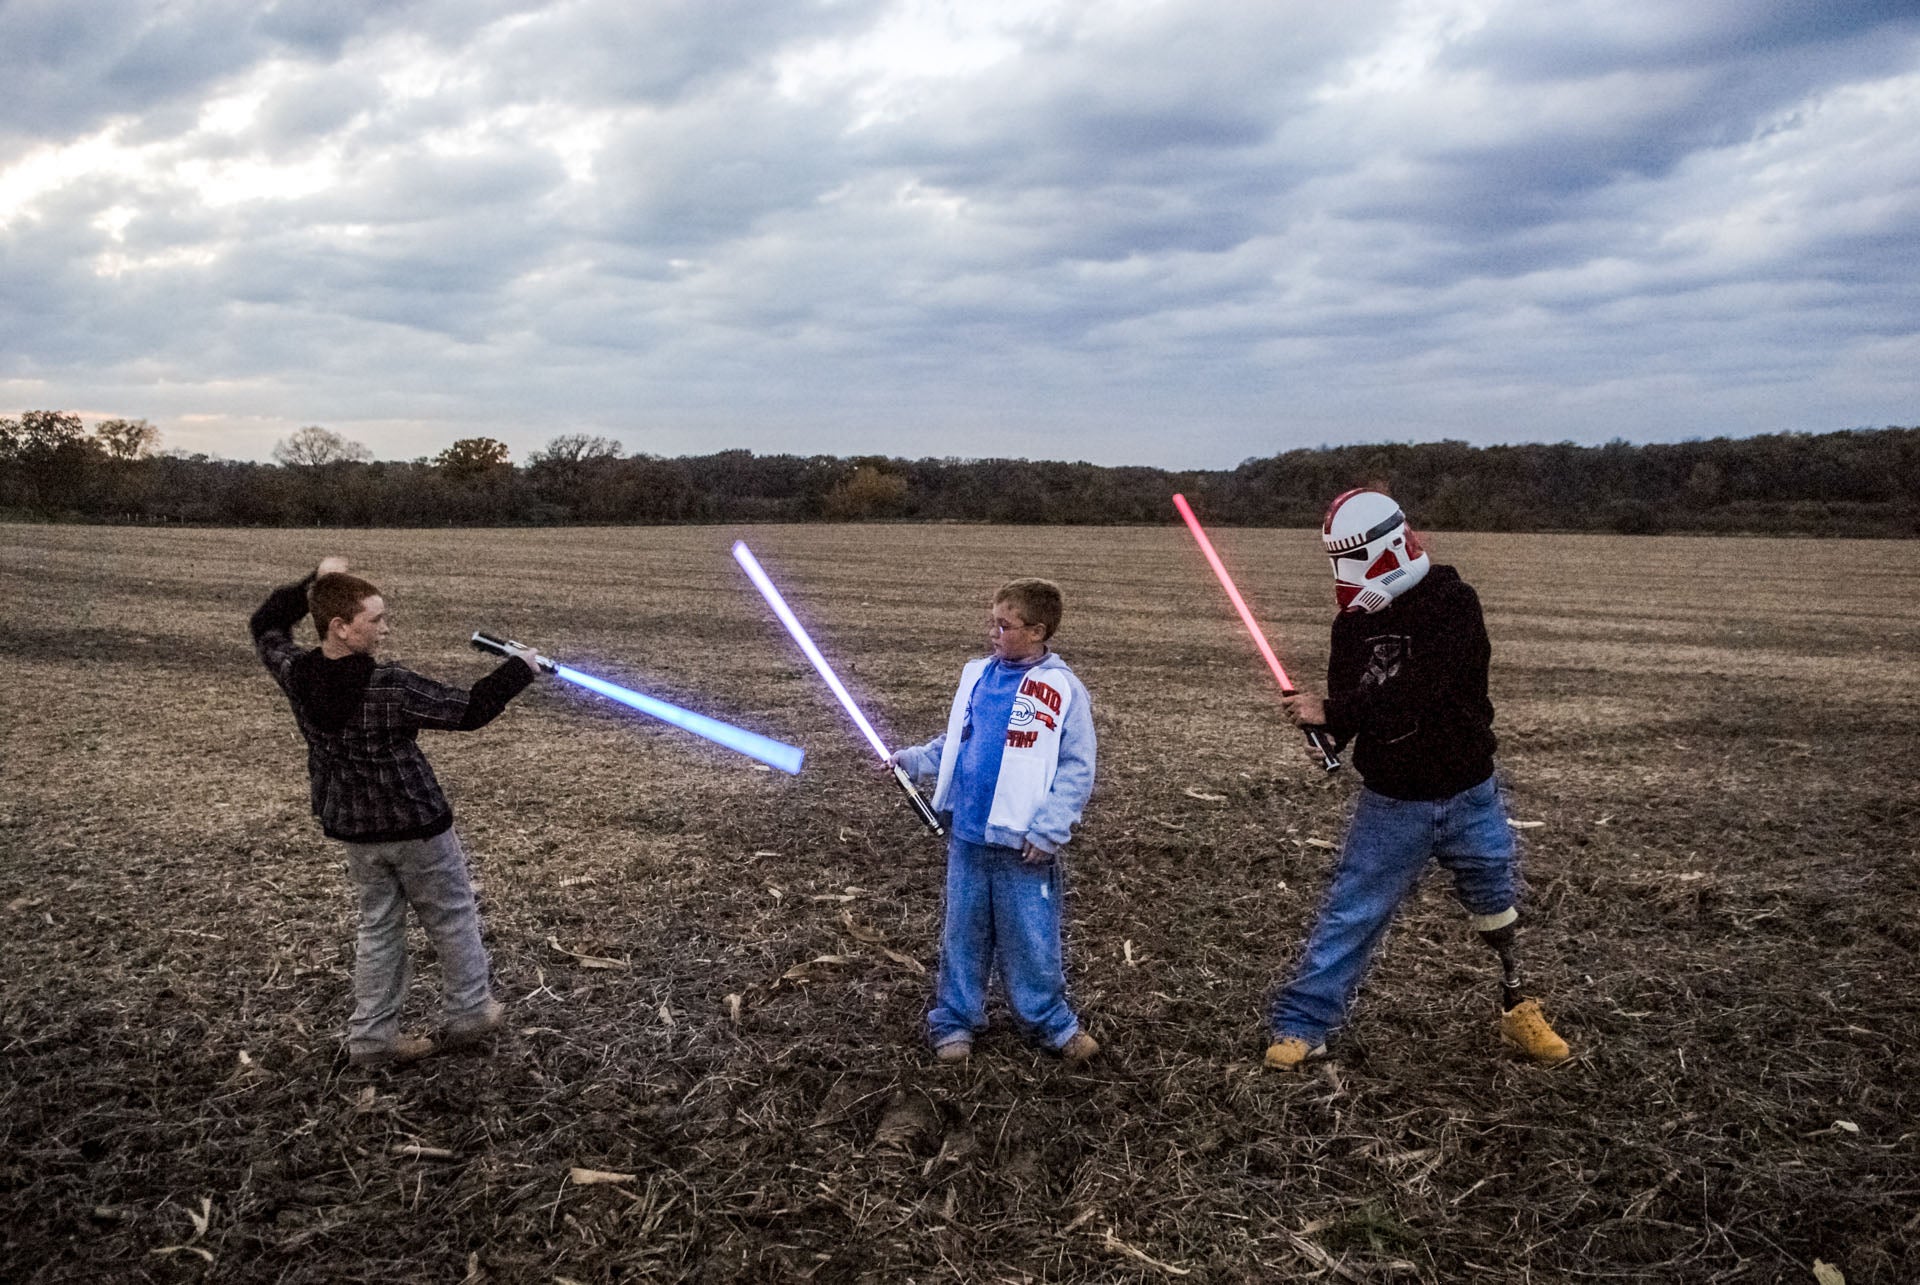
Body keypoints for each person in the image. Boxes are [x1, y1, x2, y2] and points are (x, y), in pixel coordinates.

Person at [1265, 489, 1571, 1070]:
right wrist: (1330, 734)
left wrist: (1331, 710)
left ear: (1389, 550)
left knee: (1496, 902)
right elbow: (1354, 700)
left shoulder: (1452, 604)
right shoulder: (1351, 625)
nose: (1346, 576)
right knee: (1353, 913)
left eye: (1353, 560)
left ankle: (1518, 1006)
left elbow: (1424, 690)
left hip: (1468, 793)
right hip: (1392, 802)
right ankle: (1302, 1025)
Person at [250, 557, 545, 1068]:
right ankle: (471, 1010)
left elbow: (266, 626)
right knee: (451, 915)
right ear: (341, 628)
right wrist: (521, 668)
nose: (386, 628)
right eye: (375, 619)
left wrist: (313, 582)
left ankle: (371, 1039)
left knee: (378, 928)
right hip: (417, 827)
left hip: (357, 831)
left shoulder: (297, 673)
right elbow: (470, 709)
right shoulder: (390, 686)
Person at [891, 578, 1100, 1064]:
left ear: (1037, 631)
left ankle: (1051, 1023)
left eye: (1004, 625)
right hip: (967, 836)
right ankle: (955, 1020)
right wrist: (914, 760)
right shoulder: (978, 678)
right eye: (992, 621)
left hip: (1024, 846)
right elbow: (956, 742)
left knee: (1031, 938)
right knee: (962, 933)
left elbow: (1076, 766)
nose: (993, 632)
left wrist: (1050, 829)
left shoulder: (1062, 690)